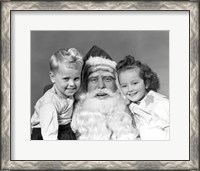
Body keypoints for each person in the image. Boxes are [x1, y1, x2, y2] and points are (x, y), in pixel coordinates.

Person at [71, 45, 139, 140]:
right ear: (85, 86)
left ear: (116, 84)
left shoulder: (136, 113)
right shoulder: (70, 119)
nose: (101, 86)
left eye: (107, 79)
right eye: (94, 79)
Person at [31, 48, 83, 140]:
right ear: (53, 77)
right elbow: (49, 135)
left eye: (76, 79)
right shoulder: (49, 103)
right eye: (66, 79)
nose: (72, 84)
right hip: (45, 132)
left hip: (64, 128)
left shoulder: (69, 93)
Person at [116, 55, 169, 140]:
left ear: (147, 83)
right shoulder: (131, 106)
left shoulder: (159, 103)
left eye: (135, 83)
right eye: (124, 86)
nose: (130, 89)